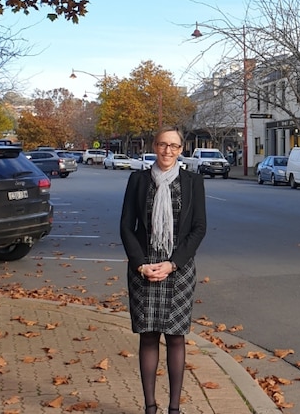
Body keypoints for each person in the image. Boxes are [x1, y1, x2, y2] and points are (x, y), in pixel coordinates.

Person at [120, 126, 207, 414]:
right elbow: (126, 227)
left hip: (178, 269)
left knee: (175, 337)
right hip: (144, 268)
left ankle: (174, 409)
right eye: (162, 144)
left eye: (174, 146)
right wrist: (140, 265)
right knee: (148, 336)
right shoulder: (138, 180)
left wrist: (173, 263)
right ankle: (150, 407)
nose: (167, 151)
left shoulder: (193, 182)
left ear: (182, 149)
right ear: (154, 146)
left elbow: (198, 228)